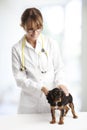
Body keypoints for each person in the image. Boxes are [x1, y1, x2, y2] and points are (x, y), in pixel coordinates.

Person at [12, 7, 69, 114]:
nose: (35, 33)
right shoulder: (17, 49)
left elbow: (59, 69)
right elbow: (20, 79)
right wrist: (41, 88)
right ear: (22, 26)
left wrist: (60, 83)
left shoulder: (51, 44)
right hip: (29, 105)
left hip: (51, 102)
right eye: (30, 29)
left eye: (38, 28)